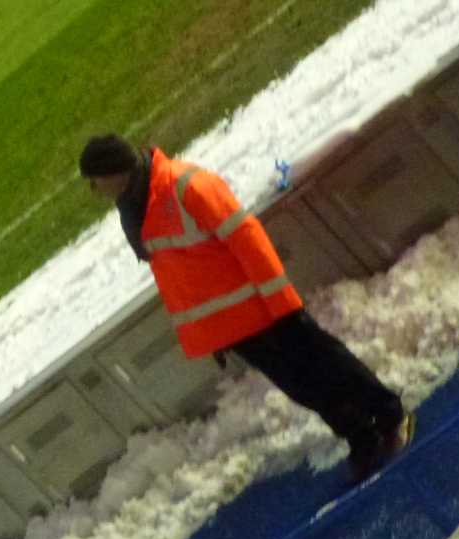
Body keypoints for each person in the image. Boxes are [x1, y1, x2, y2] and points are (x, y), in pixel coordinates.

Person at [78, 134, 412, 483]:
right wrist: (211, 332)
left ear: (115, 172)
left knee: (328, 365)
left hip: (266, 310)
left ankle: (390, 414)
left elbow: (245, 237)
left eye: (95, 181)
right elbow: (181, 278)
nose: (95, 190)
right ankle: (360, 436)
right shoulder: (136, 209)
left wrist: (280, 302)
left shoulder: (185, 187)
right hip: (237, 324)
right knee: (304, 387)